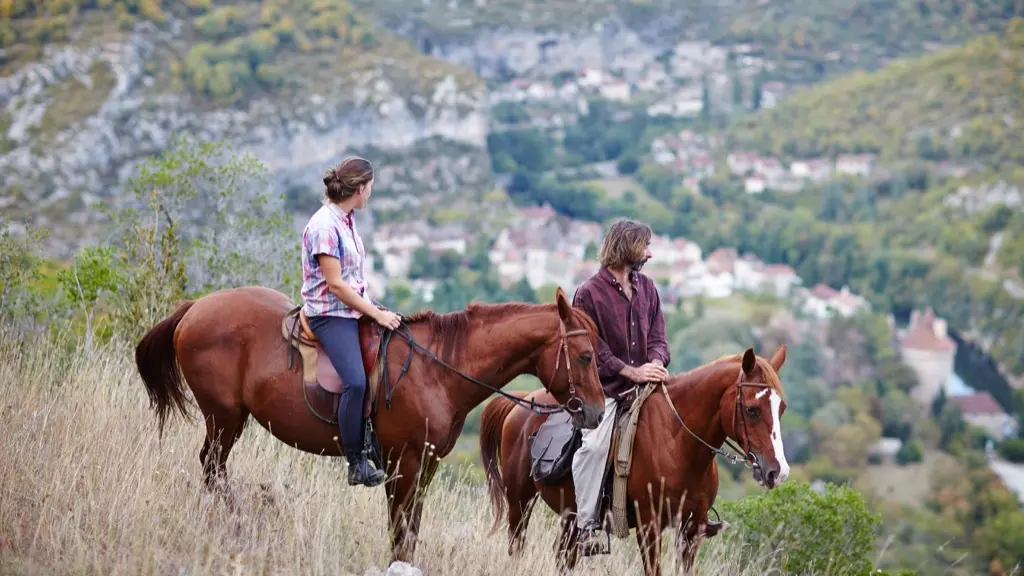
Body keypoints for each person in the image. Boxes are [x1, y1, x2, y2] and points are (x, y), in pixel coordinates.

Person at [569, 218, 672, 554]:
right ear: (627, 246)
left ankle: (693, 512)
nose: (649, 254)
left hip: (646, 384)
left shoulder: (648, 289)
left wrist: (655, 364)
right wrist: (631, 372)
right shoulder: (587, 294)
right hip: (606, 389)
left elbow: (659, 338)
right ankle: (586, 528)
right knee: (596, 447)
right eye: (645, 246)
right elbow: (590, 351)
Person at [301, 156, 401, 487]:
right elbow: (336, 286)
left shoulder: (347, 218)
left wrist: (375, 308)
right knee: (356, 382)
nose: (371, 193)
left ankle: (375, 434)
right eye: (370, 187)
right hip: (330, 313)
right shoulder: (324, 226)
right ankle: (355, 460)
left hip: (354, 306)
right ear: (359, 190)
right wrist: (375, 313)